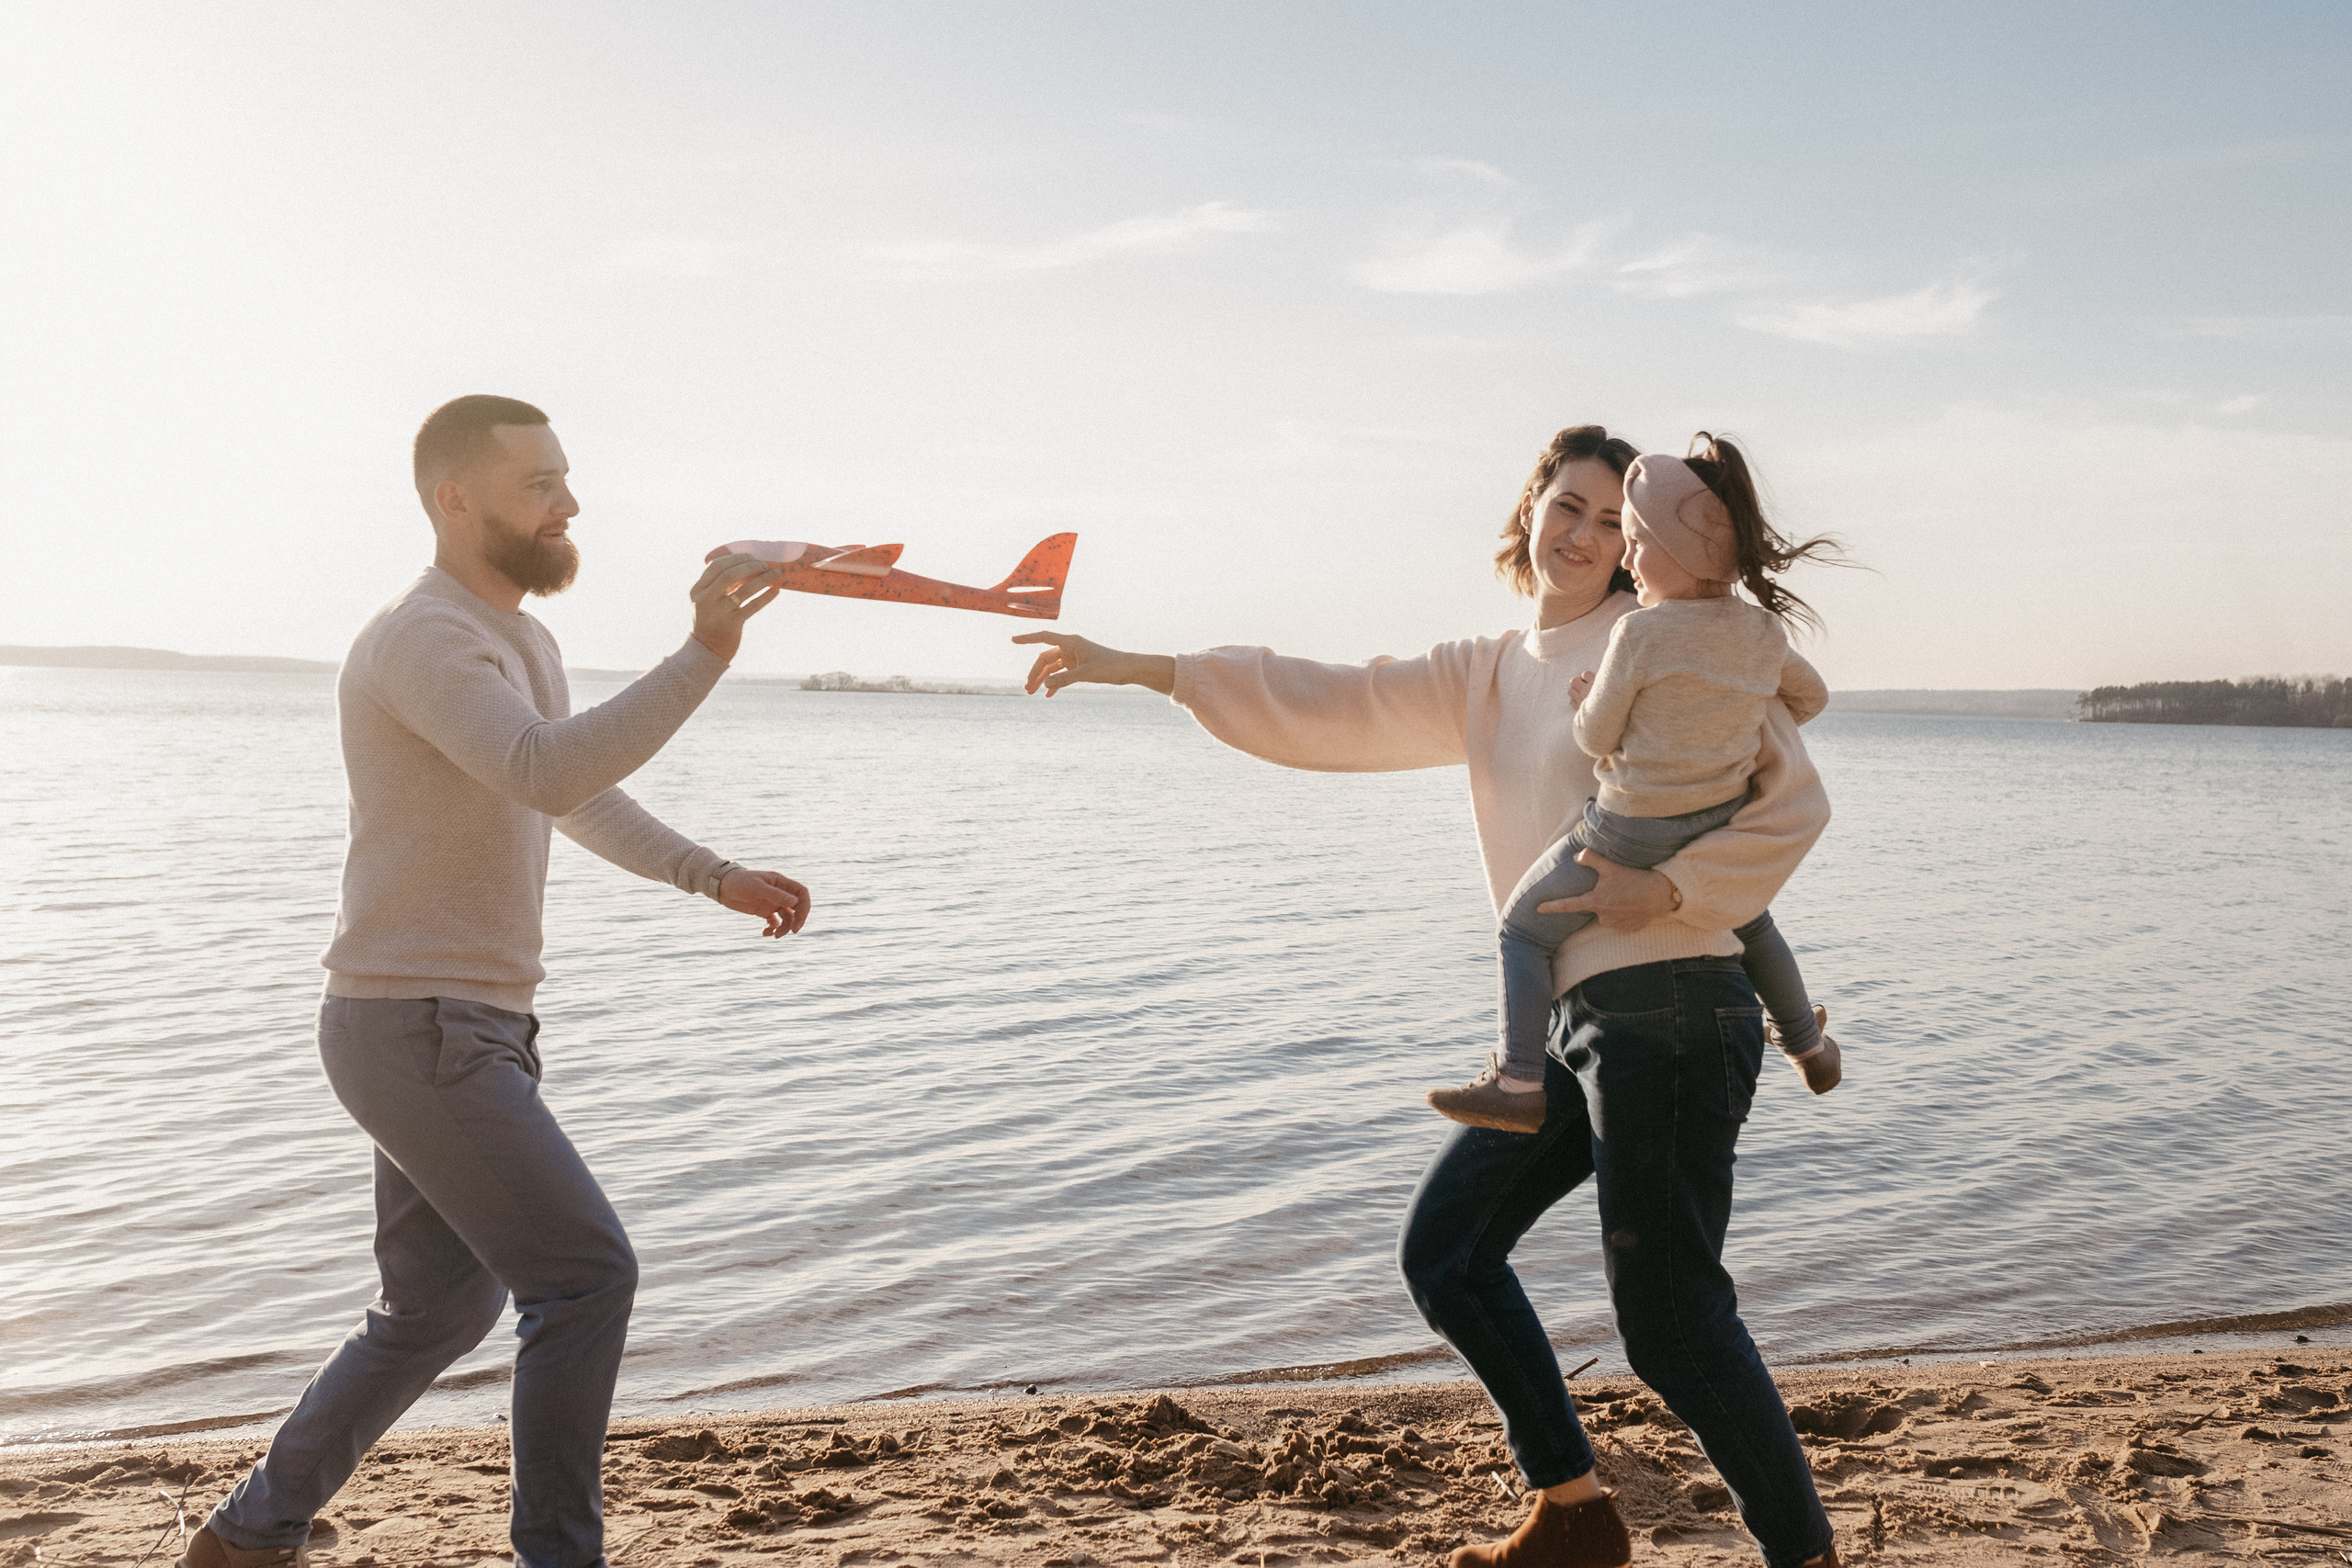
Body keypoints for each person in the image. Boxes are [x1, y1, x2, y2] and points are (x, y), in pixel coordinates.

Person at [1014, 424, 1840, 1568]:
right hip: (1575, 1024)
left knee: (1670, 1324)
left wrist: (1674, 886)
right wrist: (1149, 667)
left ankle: (1804, 1556)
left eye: (1613, 521)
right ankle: (1575, 1513)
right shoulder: (1490, 668)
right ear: (1530, 509)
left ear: (1639, 541)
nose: (1586, 536)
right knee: (1447, 1255)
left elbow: (1790, 805)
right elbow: (1335, 697)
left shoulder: (1676, 641)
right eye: (1568, 507)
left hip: (1674, 1009)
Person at [182, 395, 809, 1568]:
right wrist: (705, 654)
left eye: (568, 479)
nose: (570, 505)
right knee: (583, 1279)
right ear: (452, 498)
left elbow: (561, 790)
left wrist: (706, 873)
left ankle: (248, 1533)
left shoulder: (520, 638)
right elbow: (542, 764)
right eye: (540, 485)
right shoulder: (424, 636)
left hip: (458, 1021)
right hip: (415, 1023)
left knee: (438, 1309)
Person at [1429, 435, 1842, 1136]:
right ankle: (1809, 1044)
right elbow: (1810, 699)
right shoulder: (1763, 634)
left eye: (1636, 540)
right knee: (1749, 913)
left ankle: (1519, 1078)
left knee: (1521, 931)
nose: (1626, 557)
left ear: (1678, 555)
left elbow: (1595, 737)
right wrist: (1728, 716)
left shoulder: (1640, 635)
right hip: (1710, 820)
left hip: (1628, 826)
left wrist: (1587, 697)